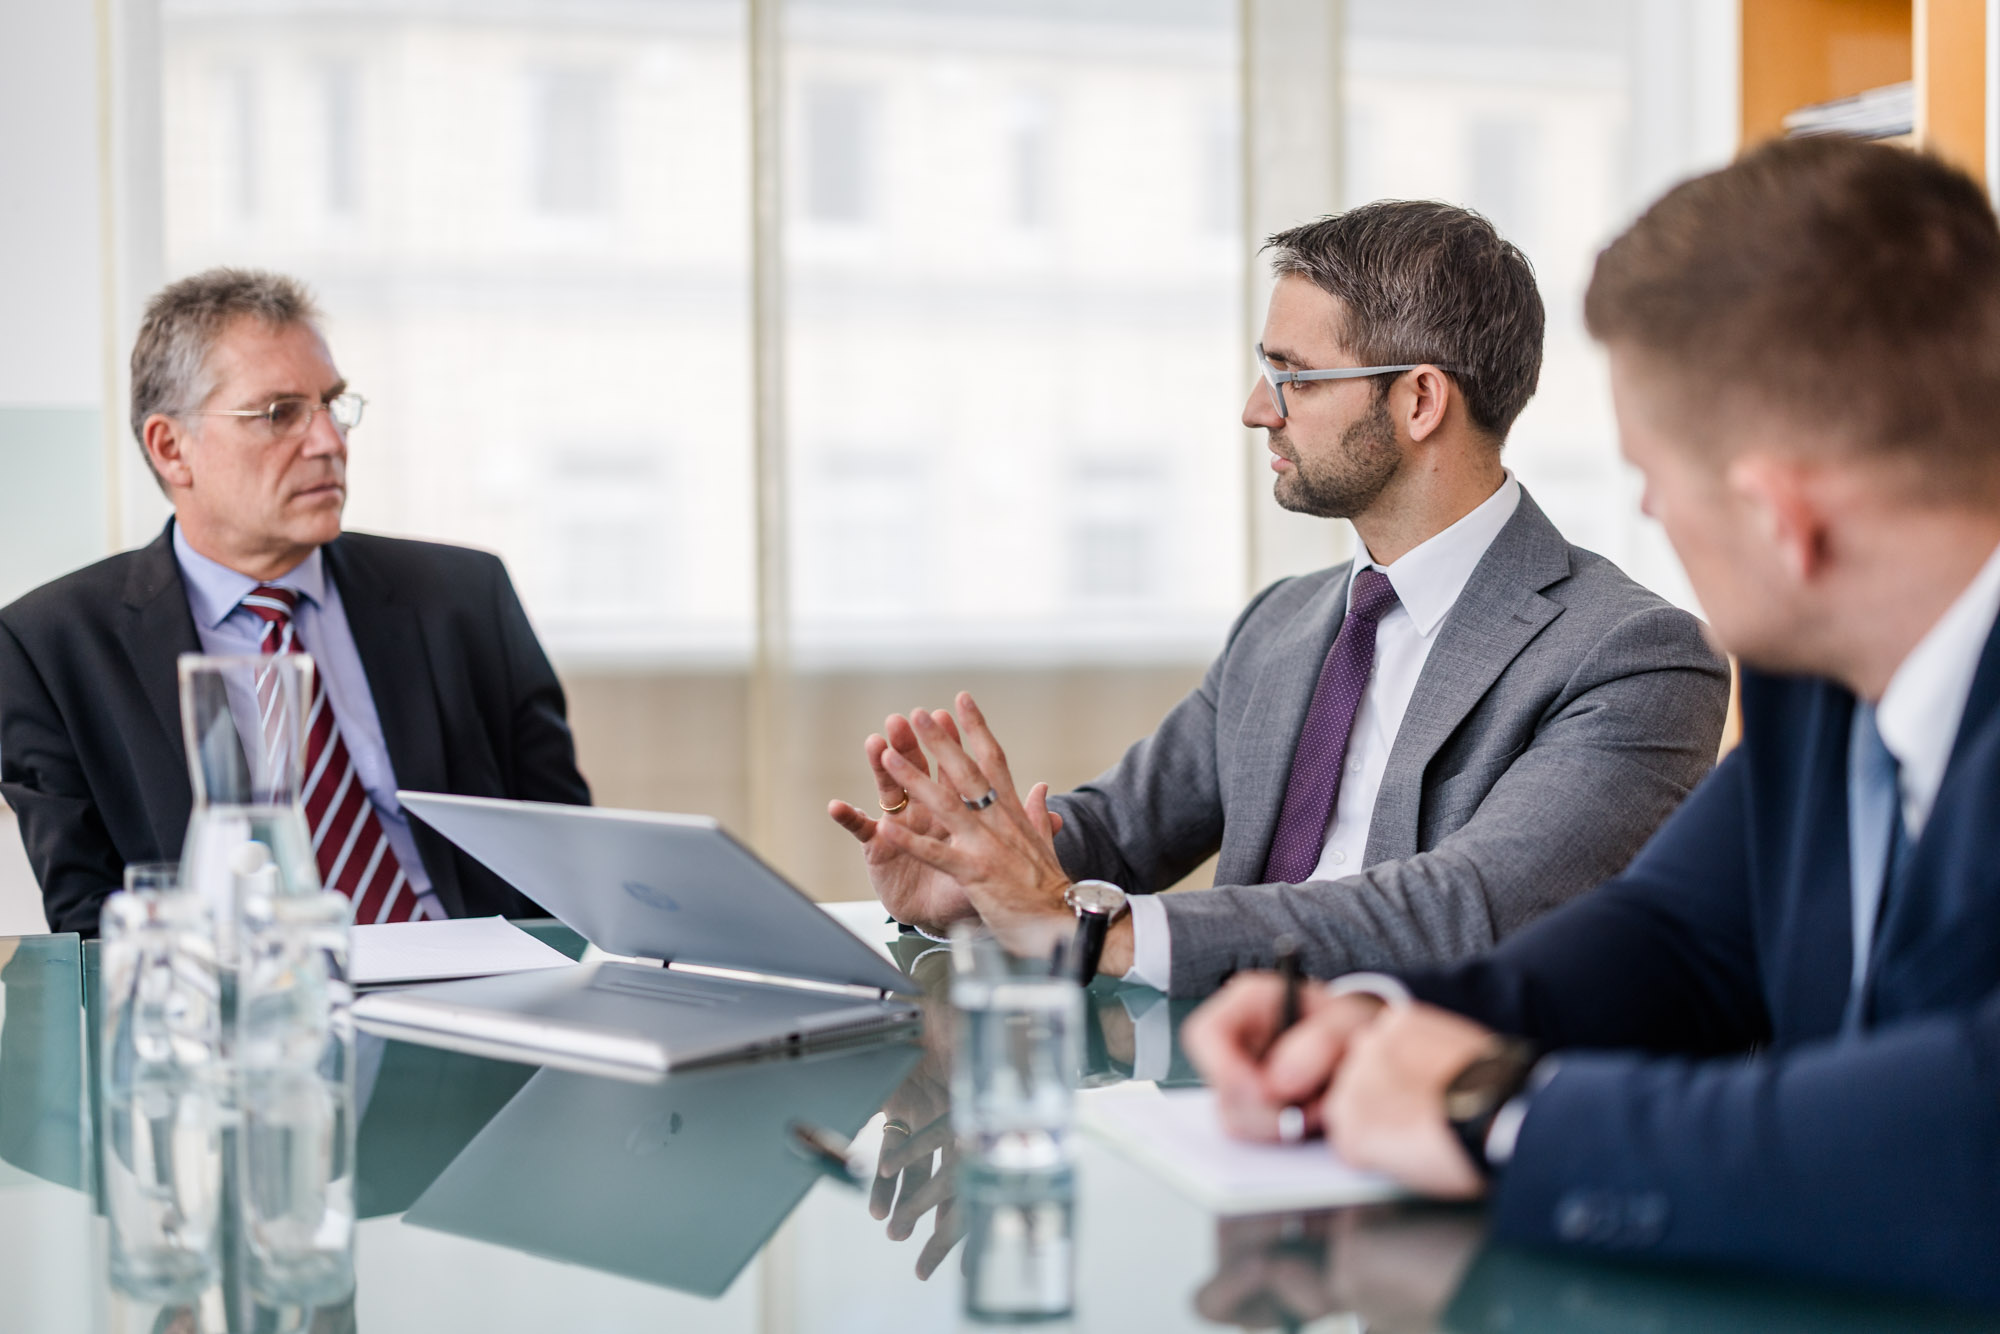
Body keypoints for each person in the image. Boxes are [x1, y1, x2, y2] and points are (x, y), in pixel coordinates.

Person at [1180, 137, 2000, 1306]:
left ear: (1780, 519)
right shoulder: (1819, 676)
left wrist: (1498, 1110)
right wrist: (1370, 1022)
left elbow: (1968, 1130)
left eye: (1653, 476)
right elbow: (1678, 934)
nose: (1653, 513)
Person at [830, 202, 1730, 996]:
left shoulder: (1635, 653)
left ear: (1420, 400)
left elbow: (1469, 910)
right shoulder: (1285, 624)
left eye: (1294, 376)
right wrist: (972, 874)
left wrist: (1091, 929)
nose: (1258, 409)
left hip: (1439, 1125)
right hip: (1228, 1087)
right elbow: (1123, 824)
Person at [0, 268, 590, 935]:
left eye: (332, 405)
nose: (330, 442)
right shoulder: (51, 647)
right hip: (237, 1010)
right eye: (280, 414)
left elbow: (568, 866)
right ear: (172, 449)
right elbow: (92, 932)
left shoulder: (465, 597)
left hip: (480, 993)